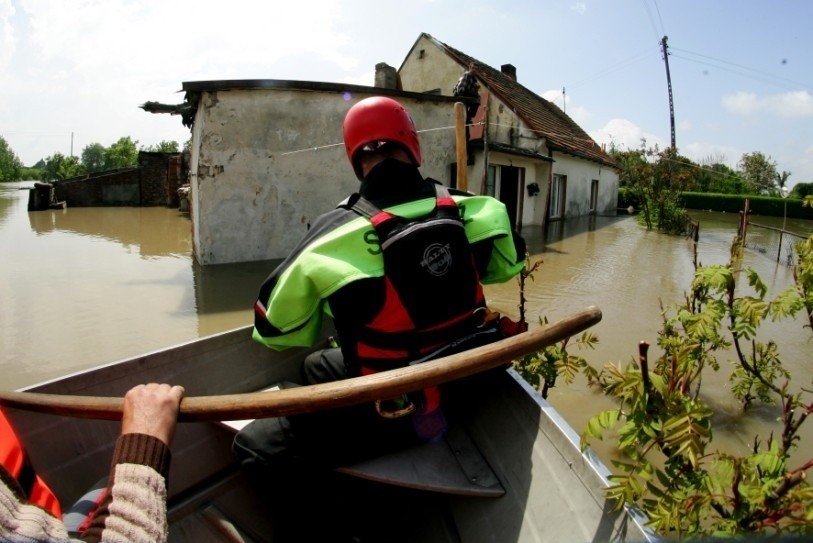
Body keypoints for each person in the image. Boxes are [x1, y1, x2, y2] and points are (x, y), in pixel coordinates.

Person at [233, 96, 526, 540]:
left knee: (254, 446)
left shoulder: (333, 233)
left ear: (356, 158)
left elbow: (273, 330)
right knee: (315, 368)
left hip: (395, 409)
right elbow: (508, 265)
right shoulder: (479, 209)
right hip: (467, 384)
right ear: (413, 146)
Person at [0, 383, 185, 542]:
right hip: (41, 530)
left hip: (39, 520)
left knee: (106, 484)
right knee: (118, 487)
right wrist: (145, 441)